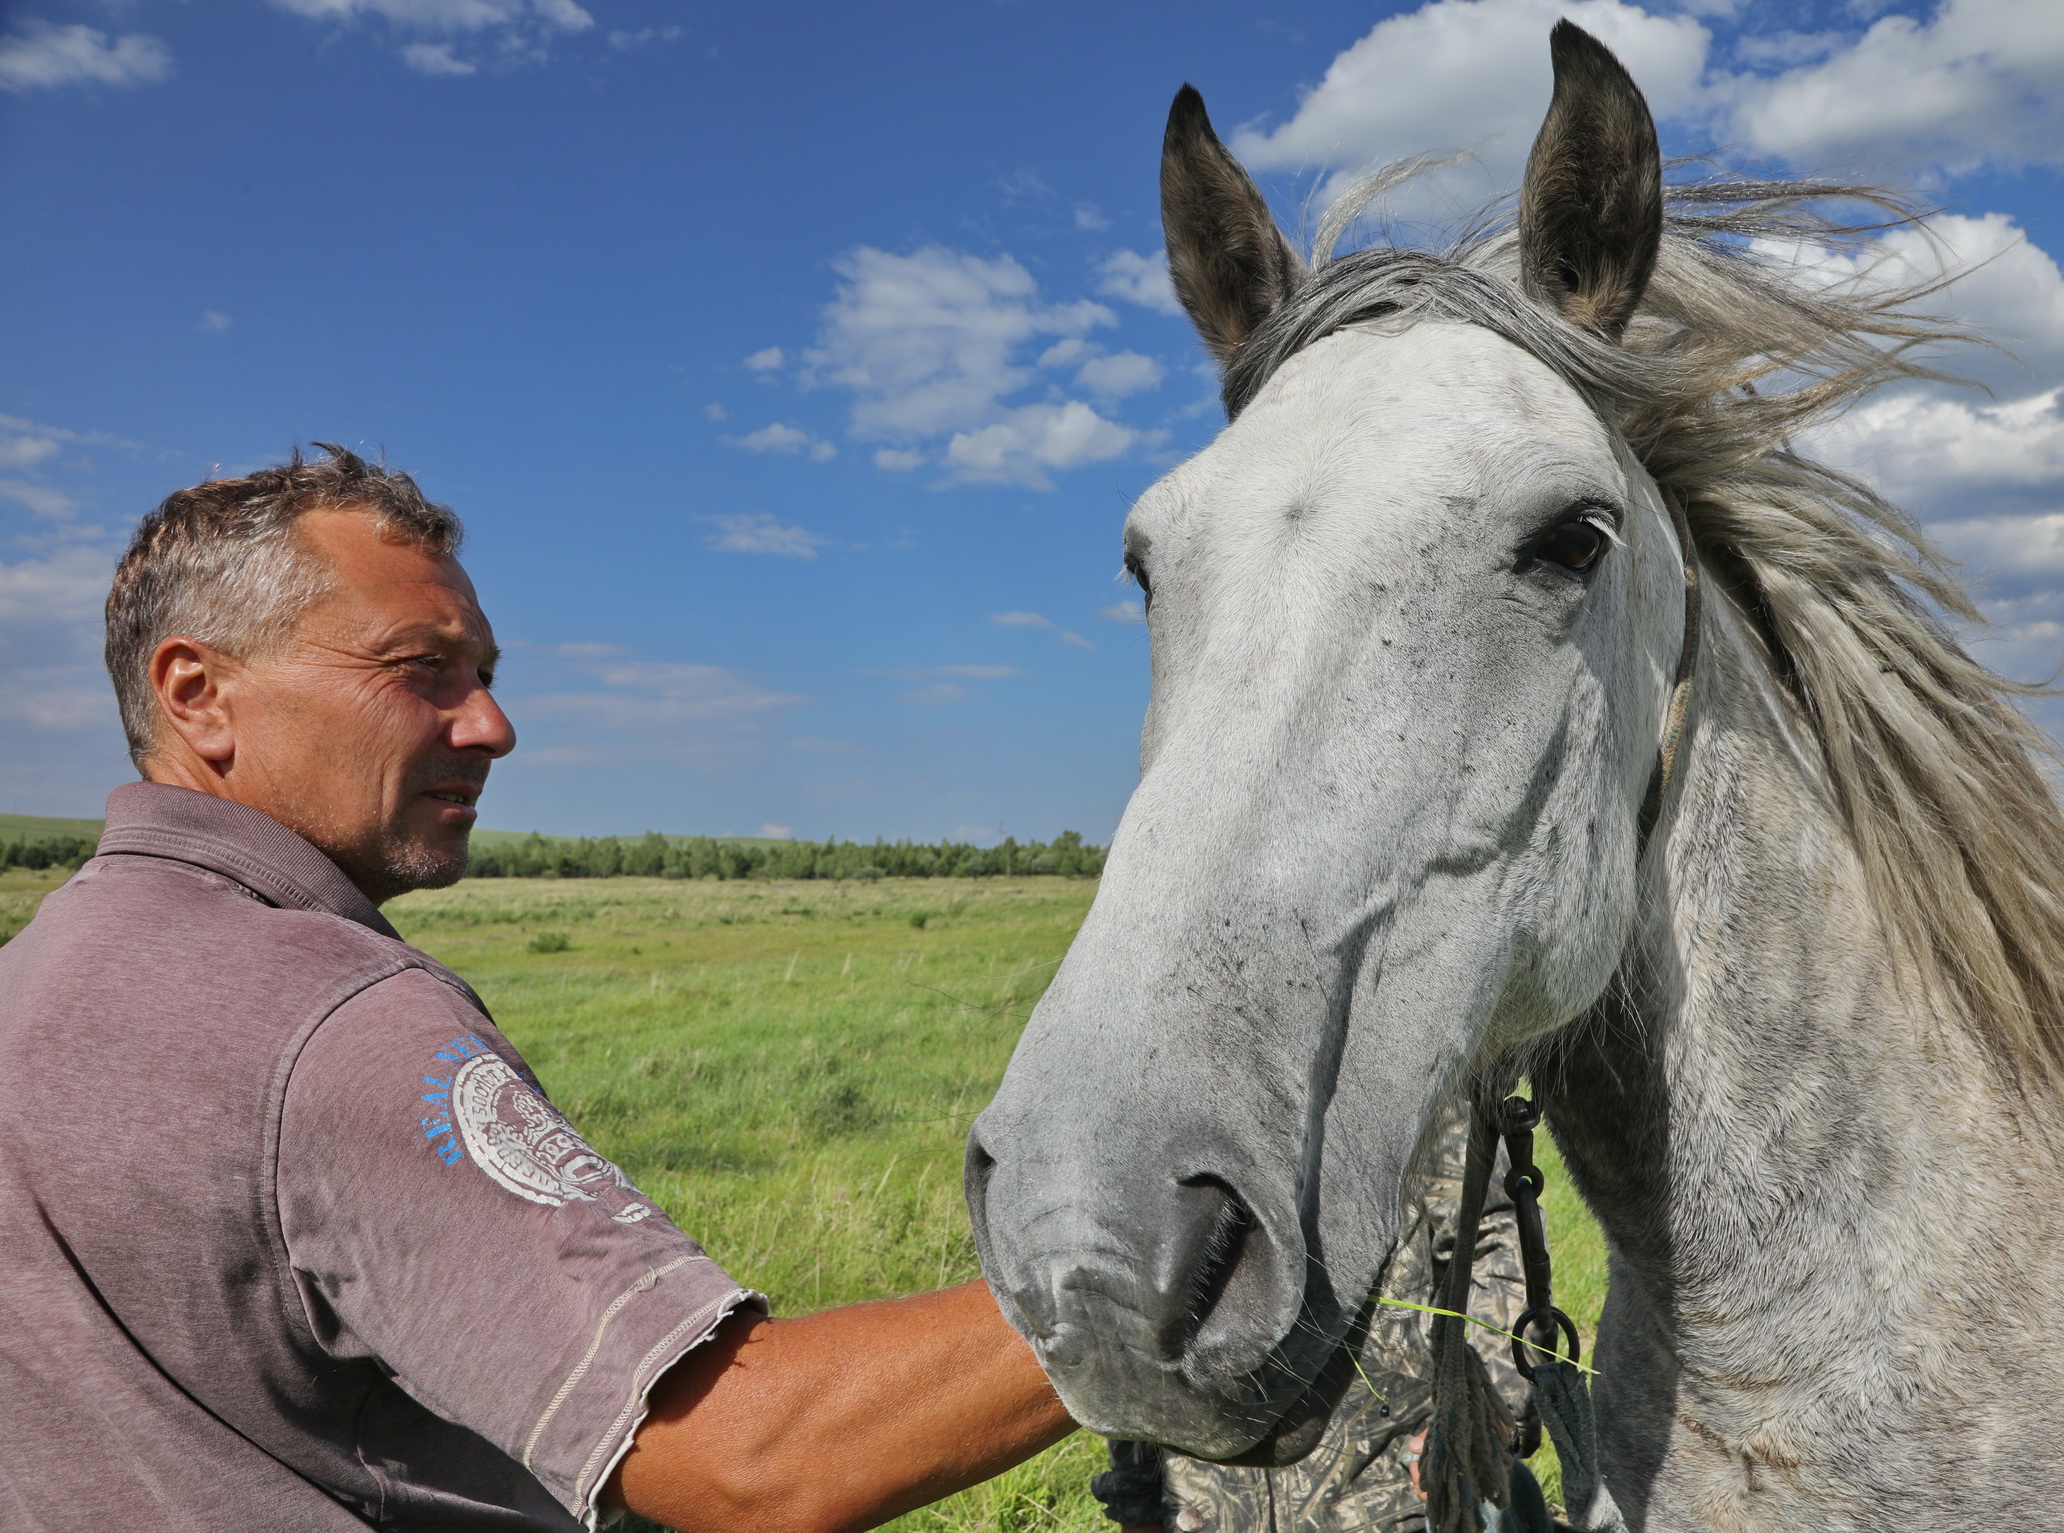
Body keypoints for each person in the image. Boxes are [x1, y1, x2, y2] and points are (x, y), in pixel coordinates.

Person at [0, 446, 1073, 1532]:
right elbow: (746, 1456)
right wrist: (1166, 1282)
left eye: (486, 676)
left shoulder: (31, 973)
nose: (491, 728)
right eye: (419, 668)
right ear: (199, 695)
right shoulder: (340, 1021)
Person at [1094, 1109, 1551, 1533]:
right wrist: (1138, 1497)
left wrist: (1481, 1425)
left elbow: (1490, 1236)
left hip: (1395, 1497)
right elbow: (1123, 1303)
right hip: (1206, 1511)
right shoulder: (1153, 1099)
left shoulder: (1394, 1072)